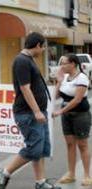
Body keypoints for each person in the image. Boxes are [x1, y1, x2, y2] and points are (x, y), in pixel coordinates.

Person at [0, 32, 61, 189]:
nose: (44, 50)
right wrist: (37, 111)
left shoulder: (28, 60)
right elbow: (25, 89)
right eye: (43, 47)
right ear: (38, 45)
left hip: (37, 112)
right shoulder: (22, 61)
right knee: (34, 148)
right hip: (28, 113)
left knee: (41, 148)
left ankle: (40, 182)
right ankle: (5, 172)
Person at [52, 54, 92, 186]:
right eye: (61, 63)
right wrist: (58, 81)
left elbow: (77, 99)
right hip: (67, 116)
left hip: (80, 115)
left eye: (64, 63)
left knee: (82, 144)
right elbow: (56, 96)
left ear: (73, 64)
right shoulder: (65, 78)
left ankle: (87, 175)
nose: (61, 66)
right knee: (70, 144)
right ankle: (71, 173)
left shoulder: (82, 78)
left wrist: (61, 111)